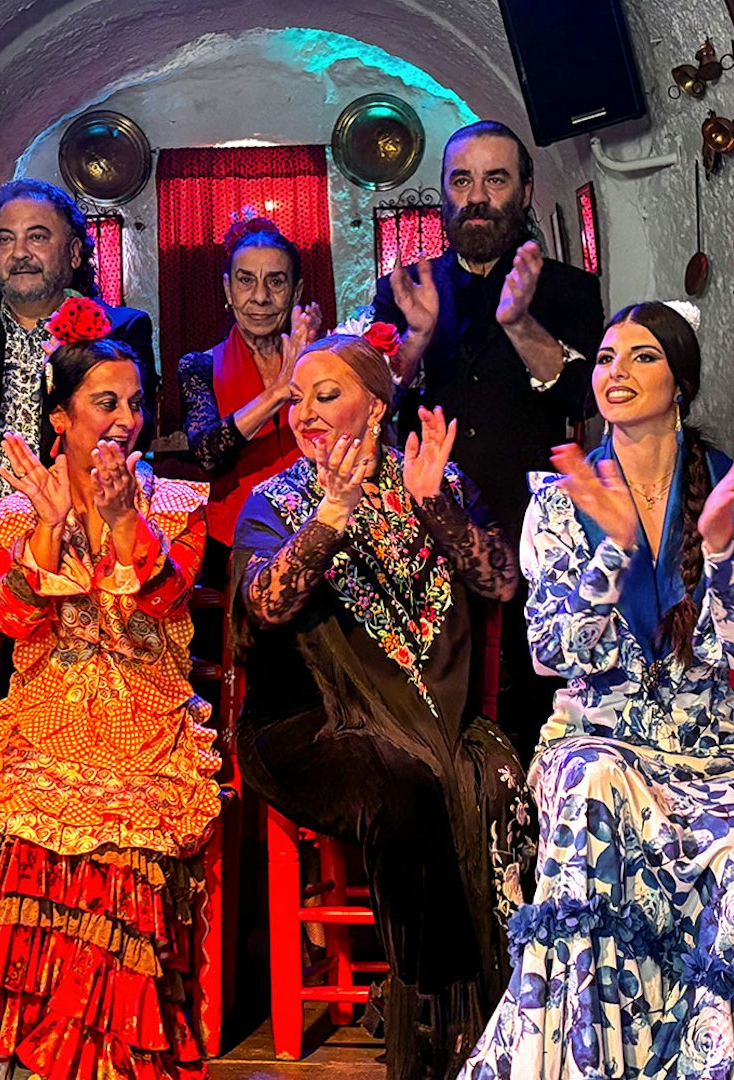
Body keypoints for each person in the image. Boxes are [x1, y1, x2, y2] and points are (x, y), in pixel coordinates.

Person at [461, 302, 734, 1080]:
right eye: (606, 358)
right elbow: (551, 653)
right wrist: (610, 554)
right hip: (596, 738)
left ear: (680, 381)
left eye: (641, 358)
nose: (616, 373)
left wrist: (722, 552)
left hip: (710, 756)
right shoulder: (558, 498)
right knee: (593, 789)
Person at [232, 328, 533, 1080]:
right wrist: (332, 513)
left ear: (377, 405)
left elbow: (501, 586)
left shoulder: (433, 479)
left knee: (495, 777)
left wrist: (439, 511)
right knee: (404, 788)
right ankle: (434, 1011)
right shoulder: (271, 501)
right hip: (300, 726)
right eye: (295, 399)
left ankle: (515, 1004)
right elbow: (265, 607)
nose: (303, 414)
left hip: (431, 712)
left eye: (326, 395)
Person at [0, 297, 219, 1080]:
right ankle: (21, 1055)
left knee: (123, 830)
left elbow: (164, 597)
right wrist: (48, 529)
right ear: (60, 418)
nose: (127, 417)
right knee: (26, 825)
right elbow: (12, 618)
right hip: (48, 716)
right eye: (106, 403)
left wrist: (126, 522)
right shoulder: (14, 510)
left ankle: (100, 1055)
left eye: (135, 402)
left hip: (147, 717)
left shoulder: (178, 503)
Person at [371, 119, 604, 759]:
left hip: (530, 524)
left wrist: (520, 323)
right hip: (426, 523)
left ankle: (532, 839)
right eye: (462, 180)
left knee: (533, 709)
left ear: (524, 192)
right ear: (444, 193)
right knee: (434, 712)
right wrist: (413, 343)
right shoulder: (407, 289)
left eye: (494, 180)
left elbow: (584, 399)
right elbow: (376, 409)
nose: (476, 196)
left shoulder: (568, 289)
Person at [0, 178, 157, 560]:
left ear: (72, 253)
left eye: (36, 237)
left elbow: (140, 432)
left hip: (80, 546)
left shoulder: (118, 330)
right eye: (5, 239)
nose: (19, 253)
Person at [177, 215, 320, 576]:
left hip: (318, 532)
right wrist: (279, 392)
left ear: (297, 291)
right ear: (228, 290)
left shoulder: (321, 360)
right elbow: (207, 452)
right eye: (246, 281)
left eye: (276, 282)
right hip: (234, 542)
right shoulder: (200, 365)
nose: (260, 297)